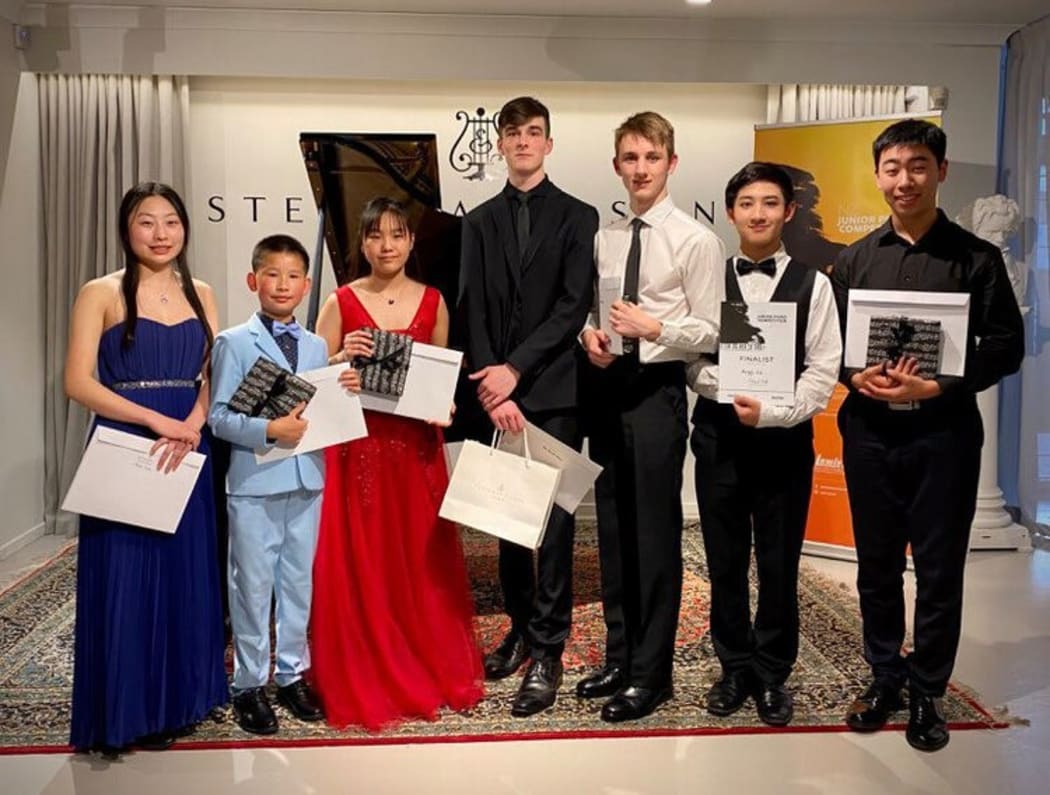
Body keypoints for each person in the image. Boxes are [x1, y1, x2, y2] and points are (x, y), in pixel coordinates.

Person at [831, 119, 1024, 752]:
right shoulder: (854, 259)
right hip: (869, 436)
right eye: (891, 168)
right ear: (878, 174)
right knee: (876, 567)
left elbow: (1005, 349)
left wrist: (936, 386)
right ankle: (884, 676)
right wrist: (857, 378)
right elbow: (828, 348)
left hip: (944, 437)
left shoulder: (977, 257)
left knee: (940, 571)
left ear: (940, 171)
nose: (903, 180)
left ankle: (928, 692)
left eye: (917, 166)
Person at [64, 182, 228, 755]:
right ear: (125, 229)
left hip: (188, 445)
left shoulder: (202, 292)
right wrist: (157, 423)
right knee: (128, 578)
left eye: (171, 223)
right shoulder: (100, 292)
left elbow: (211, 374)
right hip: (128, 443)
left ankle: (179, 702)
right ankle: (125, 710)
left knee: (185, 578)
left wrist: (195, 420)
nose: (161, 235)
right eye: (146, 222)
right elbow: (78, 382)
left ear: (185, 228)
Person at [310, 197, 484, 731]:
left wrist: (446, 405)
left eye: (397, 235)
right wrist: (339, 359)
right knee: (365, 558)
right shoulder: (341, 300)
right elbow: (311, 378)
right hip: (358, 449)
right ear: (361, 244)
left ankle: (421, 656)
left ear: (411, 242)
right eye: (376, 236)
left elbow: (440, 379)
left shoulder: (434, 300)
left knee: (417, 558)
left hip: (415, 451)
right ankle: (366, 661)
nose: (387, 246)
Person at [579, 111, 724, 722]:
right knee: (611, 529)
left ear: (671, 163)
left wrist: (657, 327)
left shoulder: (696, 240)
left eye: (651, 158)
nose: (640, 169)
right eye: (630, 159)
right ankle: (619, 654)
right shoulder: (605, 236)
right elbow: (596, 308)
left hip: (659, 392)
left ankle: (651, 674)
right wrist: (590, 333)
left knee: (654, 535)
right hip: (609, 387)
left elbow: (715, 330)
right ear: (617, 165)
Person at [458, 96, 598, 718]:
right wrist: (491, 383)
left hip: (555, 391)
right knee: (510, 522)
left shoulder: (579, 215)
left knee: (556, 526)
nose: (522, 141)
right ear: (501, 143)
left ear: (548, 142)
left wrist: (515, 371)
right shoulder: (479, 220)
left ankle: (549, 649)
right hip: (497, 392)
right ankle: (519, 629)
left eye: (533, 132)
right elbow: (475, 309)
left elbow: (572, 307)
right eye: (512, 133)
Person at [688, 162, 841, 726]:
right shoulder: (706, 280)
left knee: (778, 563)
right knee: (724, 561)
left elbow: (823, 371)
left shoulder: (814, 283)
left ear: (789, 211)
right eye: (747, 203)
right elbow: (692, 361)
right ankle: (733, 667)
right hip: (719, 438)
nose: (758, 213)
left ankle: (773, 673)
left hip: (782, 445)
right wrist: (729, 391)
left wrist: (772, 412)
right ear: (731, 212)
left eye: (770, 203)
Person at [208, 234, 352, 734]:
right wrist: (268, 429)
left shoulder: (316, 345)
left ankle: (291, 674)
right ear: (253, 281)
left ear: (308, 284)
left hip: (307, 478)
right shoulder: (233, 342)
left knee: (297, 581)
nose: (283, 284)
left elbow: (323, 406)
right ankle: (250, 682)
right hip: (254, 482)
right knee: (251, 585)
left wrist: (343, 390)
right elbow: (219, 417)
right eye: (272, 274)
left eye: (293, 276)